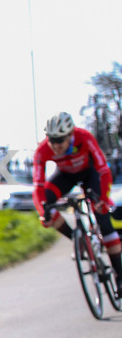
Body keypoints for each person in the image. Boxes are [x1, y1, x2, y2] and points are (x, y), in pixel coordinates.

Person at [33, 111, 122, 280]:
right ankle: (78, 240)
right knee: (47, 207)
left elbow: (104, 170)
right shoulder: (42, 150)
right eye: (52, 140)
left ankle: (120, 275)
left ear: (70, 135)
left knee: (104, 221)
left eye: (60, 140)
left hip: (90, 175)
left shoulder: (84, 137)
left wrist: (103, 199)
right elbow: (38, 186)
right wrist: (42, 212)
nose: (56, 146)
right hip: (65, 176)